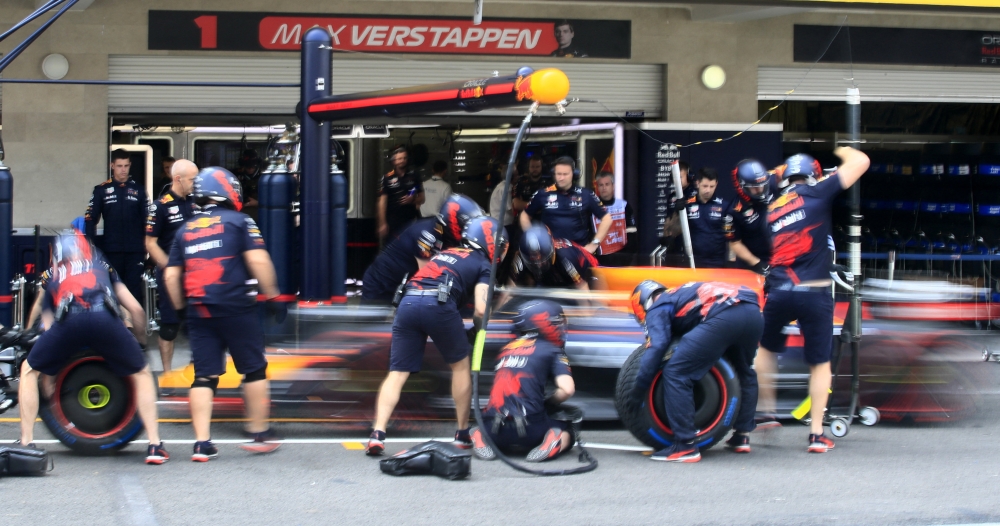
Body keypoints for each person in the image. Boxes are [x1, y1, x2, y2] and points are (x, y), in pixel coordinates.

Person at [164, 166, 284, 461]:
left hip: (199, 308)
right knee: (253, 369)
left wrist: (181, 311)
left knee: (204, 376)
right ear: (228, 191)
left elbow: (170, 276)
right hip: (236, 307)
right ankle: (259, 433)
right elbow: (258, 259)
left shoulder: (185, 229)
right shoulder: (240, 221)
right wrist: (273, 296)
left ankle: (202, 443)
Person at [18, 232, 168, 464]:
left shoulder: (56, 275)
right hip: (104, 318)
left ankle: (26, 443)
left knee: (28, 370)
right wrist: (137, 348)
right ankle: (154, 445)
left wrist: (48, 375)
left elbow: (47, 328)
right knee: (142, 373)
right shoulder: (104, 268)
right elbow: (137, 311)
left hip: (69, 320)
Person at [755, 147, 869, 453]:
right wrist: (842, 149)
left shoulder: (771, 210)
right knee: (820, 363)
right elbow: (862, 162)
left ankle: (766, 411)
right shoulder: (818, 192)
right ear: (814, 174)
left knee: (765, 349)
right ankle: (817, 434)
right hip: (815, 291)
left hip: (779, 291)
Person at [366, 216, 508, 456]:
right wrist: (476, 329)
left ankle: (377, 434)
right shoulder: (484, 264)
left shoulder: (447, 253)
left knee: (397, 373)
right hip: (438, 304)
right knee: (460, 367)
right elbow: (482, 309)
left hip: (408, 302)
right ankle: (462, 433)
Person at [629, 280, 763, 462]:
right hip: (753, 311)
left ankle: (685, 445)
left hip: (725, 314)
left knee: (676, 372)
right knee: (744, 371)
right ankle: (742, 435)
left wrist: (638, 389)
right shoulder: (681, 292)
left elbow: (657, 346)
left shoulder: (659, 304)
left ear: (642, 302)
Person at [470, 300, 576, 462]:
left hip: (494, 429)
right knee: (568, 429)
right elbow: (567, 389)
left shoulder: (505, 350)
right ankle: (554, 440)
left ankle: (480, 435)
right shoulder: (553, 350)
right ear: (543, 323)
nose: (560, 328)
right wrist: (549, 403)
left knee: (489, 423)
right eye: (556, 323)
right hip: (531, 430)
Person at [361, 194, 483, 303]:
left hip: (401, 284)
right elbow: (428, 276)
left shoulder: (443, 235)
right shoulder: (427, 234)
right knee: (371, 326)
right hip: (381, 283)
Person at [145, 159, 197, 371]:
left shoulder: (197, 203)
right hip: (170, 277)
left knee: (198, 323)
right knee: (169, 326)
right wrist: (170, 268)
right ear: (178, 179)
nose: (196, 183)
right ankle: (167, 376)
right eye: (192, 179)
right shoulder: (159, 206)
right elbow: (150, 243)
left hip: (196, 275)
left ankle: (199, 370)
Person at [85, 148, 148, 302]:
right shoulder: (101, 190)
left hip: (135, 251)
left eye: (126, 166)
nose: (123, 170)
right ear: (112, 166)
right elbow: (90, 218)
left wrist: (148, 245)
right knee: (113, 289)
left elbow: (148, 220)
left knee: (134, 290)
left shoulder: (139, 190)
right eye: (119, 166)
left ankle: (135, 325)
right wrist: (89, 246)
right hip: (111, 250)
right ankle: (115, 325)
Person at [520, 156, 612, 254]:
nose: (561, 178)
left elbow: (607, 219)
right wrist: (533, 238)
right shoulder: (543, 194)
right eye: (559, 174)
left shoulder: (586, 194)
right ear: (554, 174)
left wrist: (594, 244)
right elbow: (524, 216)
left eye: (565, 174)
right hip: (550, 253)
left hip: (579, 253)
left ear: (574, 174)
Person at [500, 225, 596, 306]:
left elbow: (584, 296)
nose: (538, 265)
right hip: (549, 279)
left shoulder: (565, 257)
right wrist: (494, 318)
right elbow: (508, 293)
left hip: (587, 277)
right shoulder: (520, 257)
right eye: (533, 260)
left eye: (542, 260)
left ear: (551, 251)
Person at [673, 168, 730, 268]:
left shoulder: (724, 206)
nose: (708, 190)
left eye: (711, 186)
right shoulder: (687, 204)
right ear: (697, 183)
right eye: (705, 186)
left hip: (717, 263)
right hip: (692, 261)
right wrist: (678, 212)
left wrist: (731, 262)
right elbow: (671, 232)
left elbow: (732, 237)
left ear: (716, 184)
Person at [725, 159, 773, 275]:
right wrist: (757, 263)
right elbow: (735, 243)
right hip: (753, 264)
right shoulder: (734, 211)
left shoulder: (774, 188)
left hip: (781, 257)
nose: (760, 190)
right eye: (755, 187)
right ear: (741, 186)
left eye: (762, 185)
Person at [378, 145, 425, 243]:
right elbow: (382, 202)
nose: (402, 161)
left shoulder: (414, 176)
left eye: (404, 158)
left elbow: (422, 198)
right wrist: (382, 223)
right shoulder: (387, 178)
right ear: (393, 161)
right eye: (399, 159)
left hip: (410, 220)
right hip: (392, 221)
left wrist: (412, 200)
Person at [593, 171, 637, 265]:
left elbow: (632, 234)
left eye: (607, 184)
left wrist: (627, 256)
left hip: (622, 258)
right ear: (597, 187)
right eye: (601, 185)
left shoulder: (624, 206)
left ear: (613, 186)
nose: (604, 188)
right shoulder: (592, 208)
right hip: (600, 261)